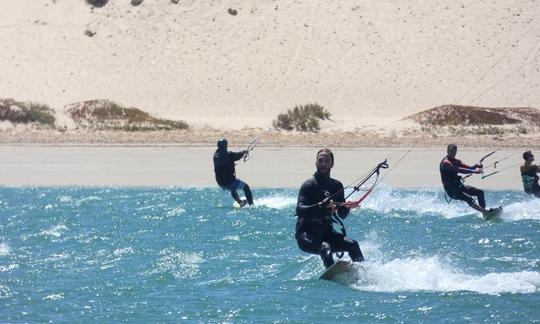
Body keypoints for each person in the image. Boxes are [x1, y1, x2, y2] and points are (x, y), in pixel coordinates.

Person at [295, 148, 364, 268]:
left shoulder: (336, 186)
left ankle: (364, 275)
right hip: (306, 235)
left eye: (326, 161)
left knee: (353, 245)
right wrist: (320, 205)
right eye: (320, 161)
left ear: (332, 164)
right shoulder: (309, 185)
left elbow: (342, 215)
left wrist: (347, 206)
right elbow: (300, 210)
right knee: (325, 248)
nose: (323, 164)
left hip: (327, 233)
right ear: (316, 163)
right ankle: (333, 276)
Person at [440, 144, 496, 216]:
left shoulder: (457, 161)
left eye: (454, 152)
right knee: (469, 198)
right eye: (451, 152)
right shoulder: (446, 163)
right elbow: (459, 170)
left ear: (456, 152)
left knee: (480, 192)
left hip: (459, 186)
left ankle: (485, 214)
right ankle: (485, 212)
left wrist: (477, 165)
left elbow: (469, 168)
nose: (452, 154)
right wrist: (475, 171)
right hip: (451, 190)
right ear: (447, 151)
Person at [213, 138, 254, 207]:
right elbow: (238, 155)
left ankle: (240, 202)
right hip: (229, 181)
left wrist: (231, 165)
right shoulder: (229, 155)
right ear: (226, 146)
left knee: (232, 188)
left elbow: (223, 164)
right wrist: (244, 152)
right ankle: (251, 205)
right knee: (246, 187)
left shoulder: (215, 156)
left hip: (220, 182)